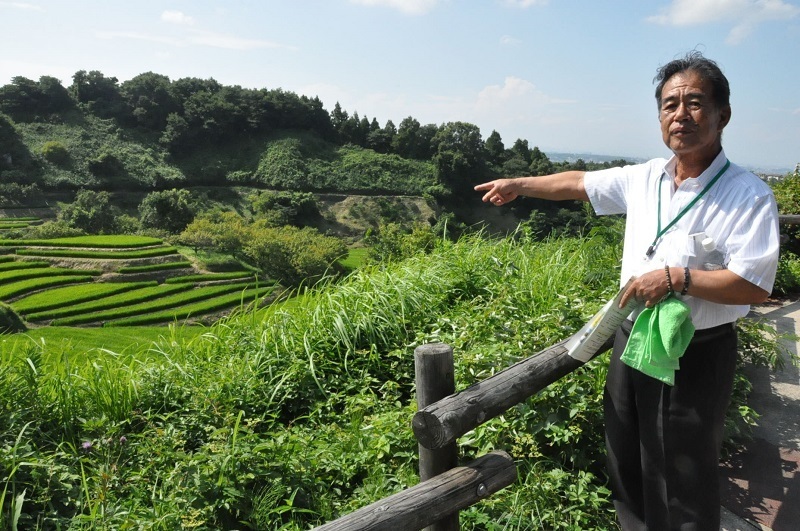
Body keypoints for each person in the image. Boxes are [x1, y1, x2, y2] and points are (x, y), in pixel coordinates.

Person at [474, 51, 780, 530]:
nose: (680, 114)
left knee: (685, 470)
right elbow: (577, 182)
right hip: (631, 340)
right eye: (669, 105)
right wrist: (520, 184)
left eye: (694, 103)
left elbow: (754, 286)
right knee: (627, 453)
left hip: (697, 353)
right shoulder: (644, 178)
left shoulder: (747, 195)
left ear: (723, 115)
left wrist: (679, 277)